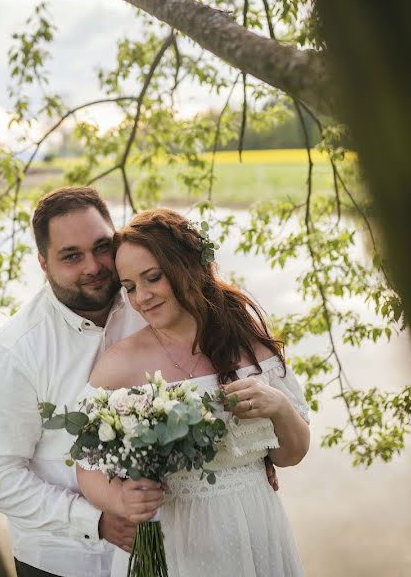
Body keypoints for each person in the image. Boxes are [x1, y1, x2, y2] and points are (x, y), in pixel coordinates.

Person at [77, 208, 310, 576]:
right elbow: (87, 467)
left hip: (255, 524)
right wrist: (121, 499)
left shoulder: (248, 344)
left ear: (188, 267)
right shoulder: (119, 364)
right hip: (174, 538)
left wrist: (279, 407)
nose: (142, 297)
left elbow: (290, 456)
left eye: (153, 278)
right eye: (130, 286)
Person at [0, 187, 146, 577]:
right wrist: (93, 521)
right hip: (64, 562)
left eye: (102, 247)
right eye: (71, 256)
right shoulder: (15, 353)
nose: (94, 266)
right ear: (43, 263)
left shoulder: (151, 307)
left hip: (161, 551)